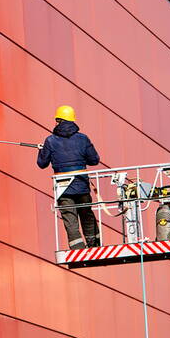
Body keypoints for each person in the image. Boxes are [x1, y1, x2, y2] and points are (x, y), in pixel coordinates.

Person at [37, 105, 101, 249]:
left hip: (63, 187)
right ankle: (94, 244)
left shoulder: (50, 141)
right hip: (82, 185)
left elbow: (42, 163)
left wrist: (42, 150)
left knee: (69, 216)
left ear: (58, 121)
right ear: (72, 120)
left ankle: (77, 248)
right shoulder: (83, 139)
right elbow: (94, 160)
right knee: (86, 213)